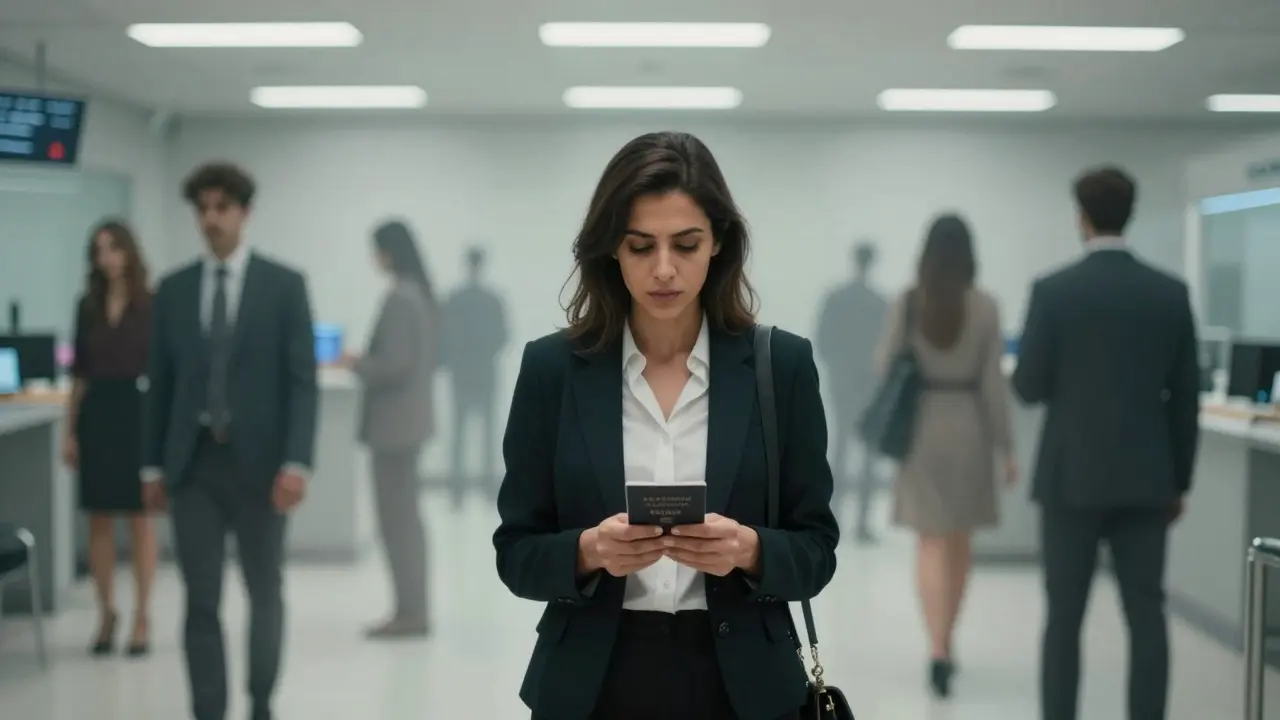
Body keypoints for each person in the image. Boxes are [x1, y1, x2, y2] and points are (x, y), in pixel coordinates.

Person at [492, 130, 840, 720]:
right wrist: (589, 550)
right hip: (591, 683)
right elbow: (516, 552)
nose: (663, 270)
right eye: (639, 246)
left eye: (685, 245)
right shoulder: (552, 370)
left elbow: (817, 550)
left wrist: (750, 551)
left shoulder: (781, 366)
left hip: (744, 688)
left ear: (719, 245)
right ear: (610, 250)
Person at [1013, 167, 1199, 720]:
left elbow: (1027, 386)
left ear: (1082, 217)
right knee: (1146, 614)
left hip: (1070, 480)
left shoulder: (1053, 291)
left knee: (1064, 617)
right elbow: (1185, 396)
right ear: (1130, 214)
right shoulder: (1170, 293)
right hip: (1147, 480)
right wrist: (1178, 481)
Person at [141, 162, 318, 720]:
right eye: (203, 209)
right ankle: (208, 711)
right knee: (200, 599)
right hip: (193, 466)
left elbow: (301, 382)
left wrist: (296, 462)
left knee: (264, 592)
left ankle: (261, 702)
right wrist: (151, 467)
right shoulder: (172, 290)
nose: (211, 219)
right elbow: (159, 385)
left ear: (244, 212)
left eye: (222, 207)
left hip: (262, 467)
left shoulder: (283, 286)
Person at [873, 213, 1015, 699]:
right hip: (969, 426)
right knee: (960, 542)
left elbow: (883, 362)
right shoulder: (986, 306)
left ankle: (935, 646)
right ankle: (949, 638)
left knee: (928, 542)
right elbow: (994, 384)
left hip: (922, 430)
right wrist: (1007, 448)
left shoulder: (910, 302)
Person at [63, 219, 156, 657]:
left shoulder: (151, 305)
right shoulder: (87, 305)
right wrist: (69, 430)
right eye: (99, 251)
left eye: (113, 249)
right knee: (98, 518)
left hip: (137, 412)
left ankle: (141, 615)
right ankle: (107, 613)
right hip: (98, 412)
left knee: (140, 519)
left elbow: (164, 372)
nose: (106, 259)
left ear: (129, 252)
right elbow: (79, 374)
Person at [340, 219, 437, 639]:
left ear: (389, 252)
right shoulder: (419, 295)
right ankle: (411, 609)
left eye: (376, 250)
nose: (374, 259)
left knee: (397, 526)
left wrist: (354, 363)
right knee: (405, 523)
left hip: (393, 430)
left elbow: (396, 364)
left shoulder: (401, 298)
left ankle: (410, 613)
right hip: (407, 427)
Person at [816, 240, 889, 544]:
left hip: (843, 382)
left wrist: (836, 368)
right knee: (867, 454)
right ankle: (862, 524)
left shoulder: (837, 298)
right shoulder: (880, 302)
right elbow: (887, 347)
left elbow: (823, 339)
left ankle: (834, 517)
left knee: (842, 449)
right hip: (868, 385)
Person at [439, 245, 508, 507]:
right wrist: (486, 354)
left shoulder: (455, 299)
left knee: (459, 432)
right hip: (485, 371)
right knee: (487, 434)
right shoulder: (492, 299)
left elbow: (444, 336)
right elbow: (503, 335)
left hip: (462, 372)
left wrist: (456, 359)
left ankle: (457, 491)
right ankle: (488, 488)